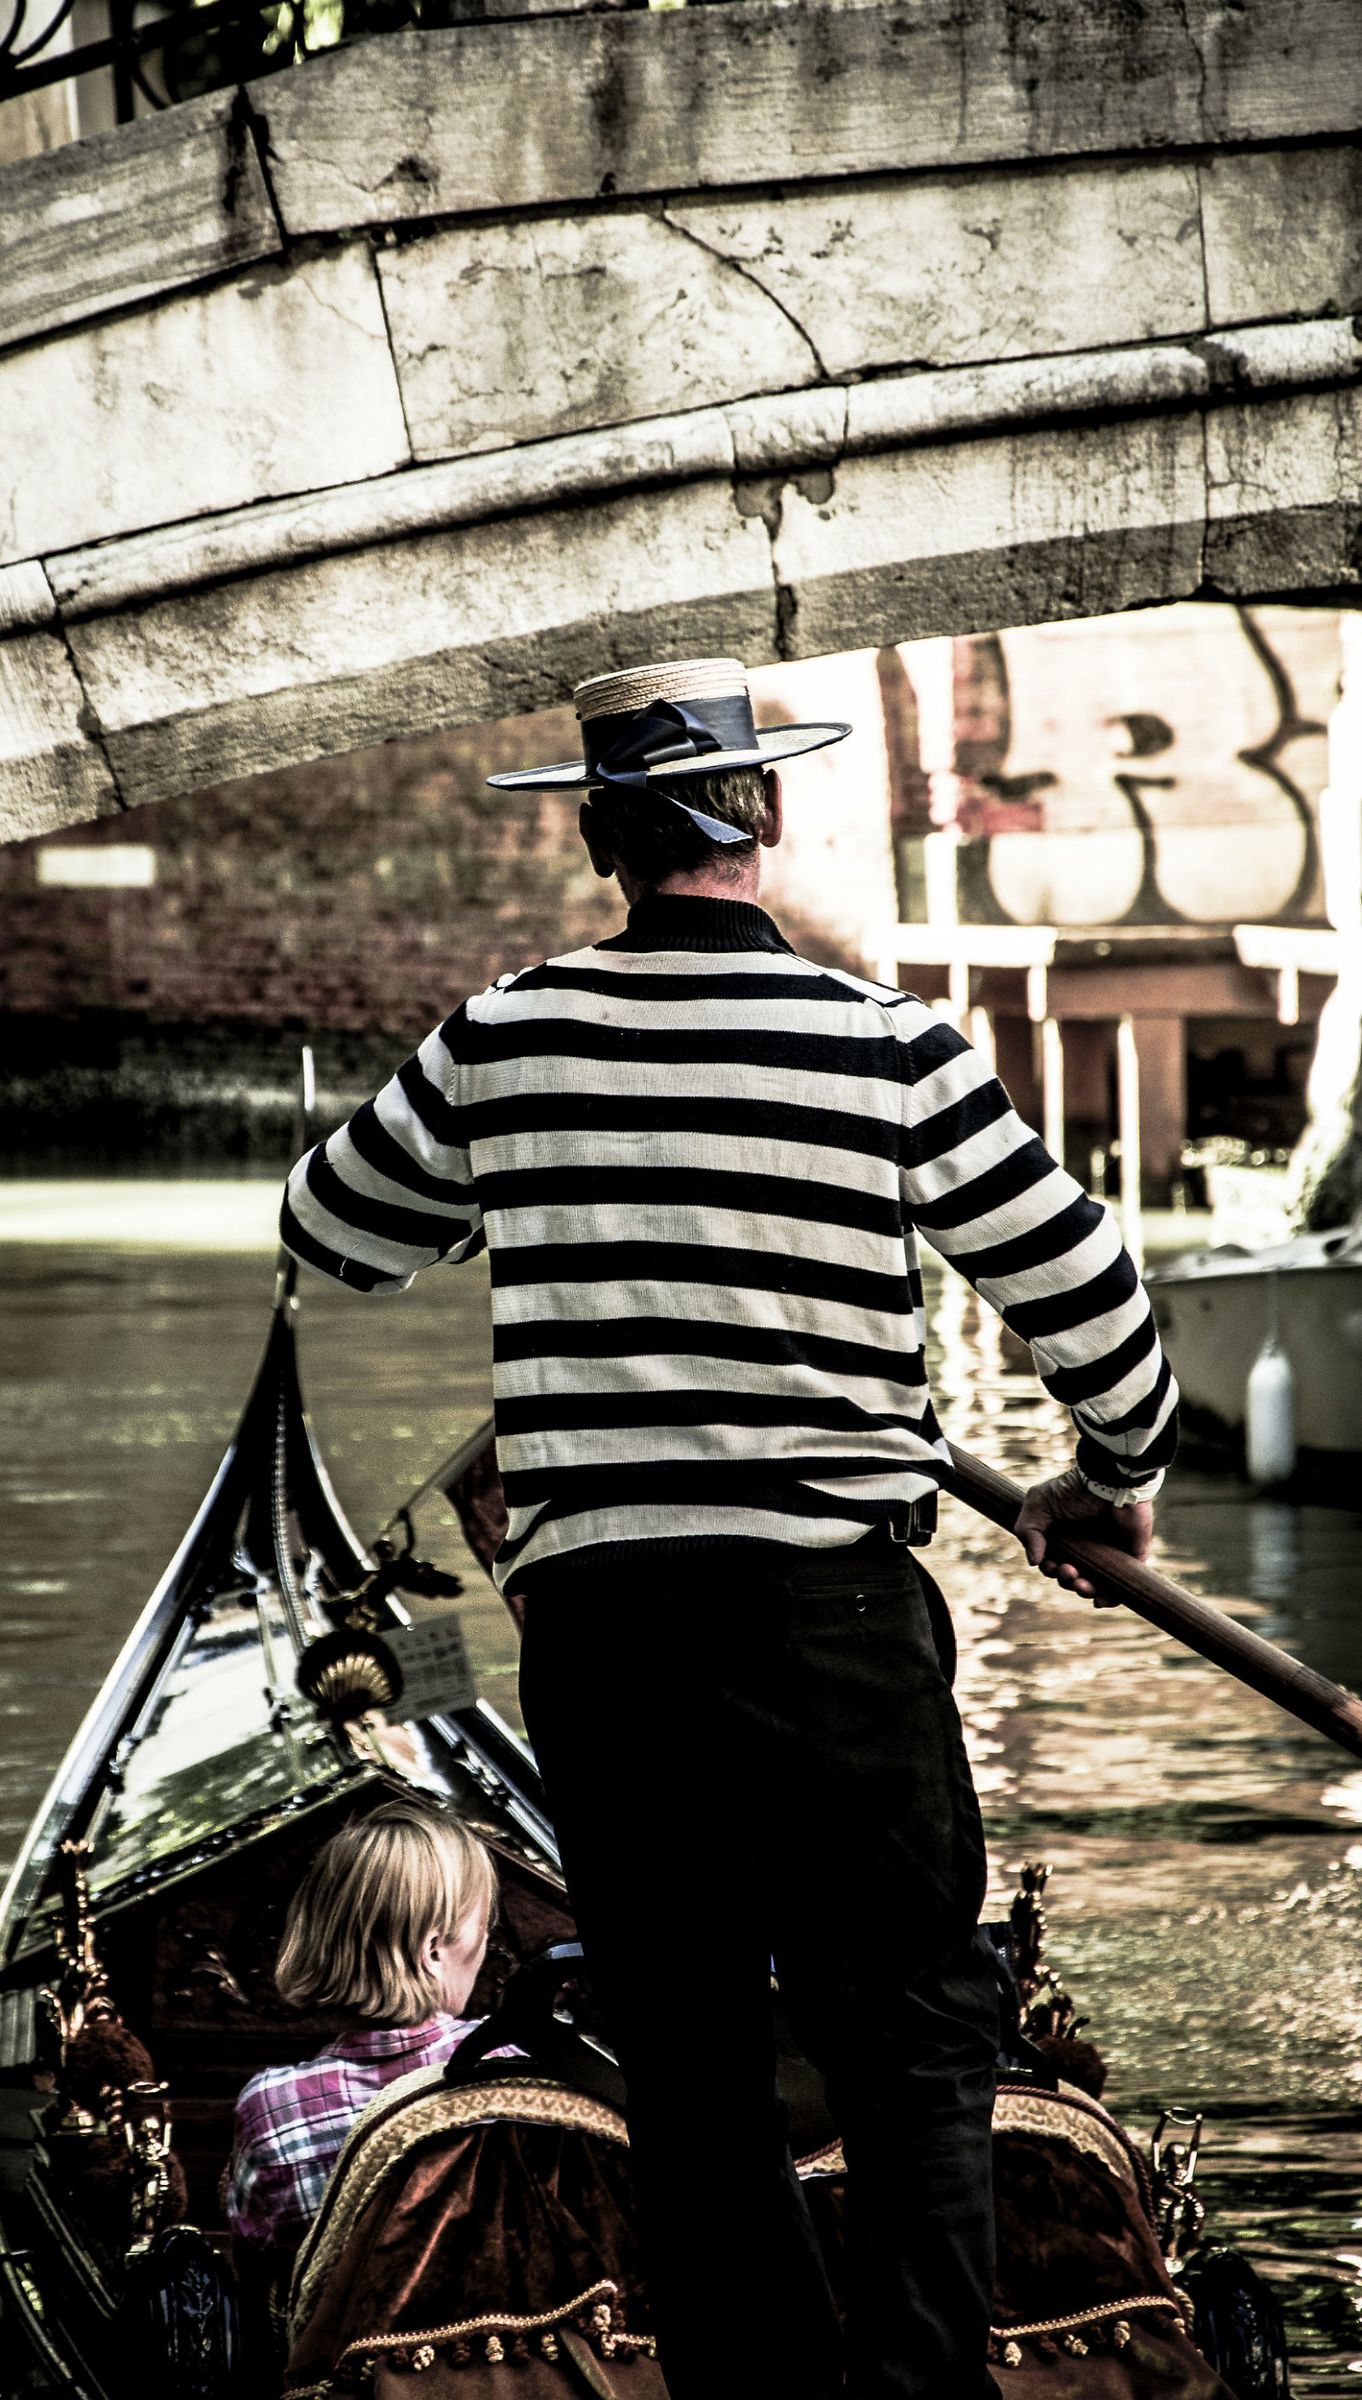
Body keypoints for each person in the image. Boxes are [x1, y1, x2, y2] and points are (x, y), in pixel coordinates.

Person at [279, 658, 1176, 2397]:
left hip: (611, 1633)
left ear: (603, 838)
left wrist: (533, 1186)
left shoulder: (504, 1039)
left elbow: (331, 1237)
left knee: (686, 2051)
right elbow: (1103, 1304)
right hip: (836, 1618)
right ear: (768, 817)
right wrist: (1107, 1480)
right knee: (914, 2040)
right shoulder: (891, 1042)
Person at [225, 1800, 497, 2250]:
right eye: (483, 1926)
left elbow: (261, 2270)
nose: (485, 1943)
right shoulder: (519, 2060)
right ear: (433, 1951)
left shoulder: (270, 2108)